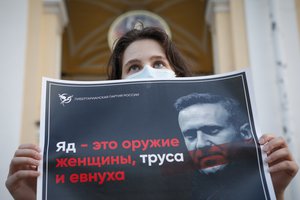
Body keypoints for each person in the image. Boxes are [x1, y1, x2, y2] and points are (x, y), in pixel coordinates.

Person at [6, 26, 298, 200]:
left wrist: (270, 191)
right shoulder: (94, 163)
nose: (147, 71)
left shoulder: (219, 161)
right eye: (133, 67)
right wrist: (35, 197)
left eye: (159, 63)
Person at [174, 93, 266, 199]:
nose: (201, 144)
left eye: (212, 130)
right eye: (190, 136)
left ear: (245, 133)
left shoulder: (266, 179)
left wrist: (276, 192)